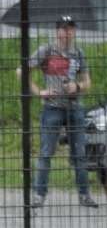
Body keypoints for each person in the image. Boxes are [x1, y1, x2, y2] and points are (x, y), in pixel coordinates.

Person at [18, 16, 97, 208]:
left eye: (71, 28)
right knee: (46, 153)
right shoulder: (47, 50)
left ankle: (84, 195)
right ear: (57, 31)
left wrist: (77, 87)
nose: (69, 32)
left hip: (75, 108)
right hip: (52, 108)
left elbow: (87, 82)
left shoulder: (79, 53)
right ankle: (39, 195)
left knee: (79, 153)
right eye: (65, 28)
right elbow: (22, 70)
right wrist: (39, 91)